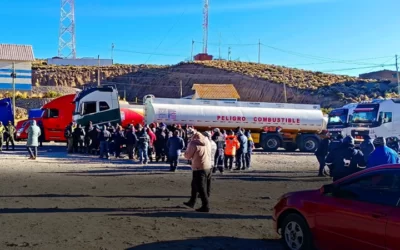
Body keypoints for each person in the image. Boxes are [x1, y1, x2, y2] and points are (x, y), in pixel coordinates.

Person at [184, 131, 212, 213]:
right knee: (195, 185)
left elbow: (187, 156)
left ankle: (205, 206)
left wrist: (188, 148)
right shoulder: (207, 141)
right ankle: (192, 202)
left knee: (200, 187)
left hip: (198, 167)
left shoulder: (193, 144)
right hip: (208, 166)